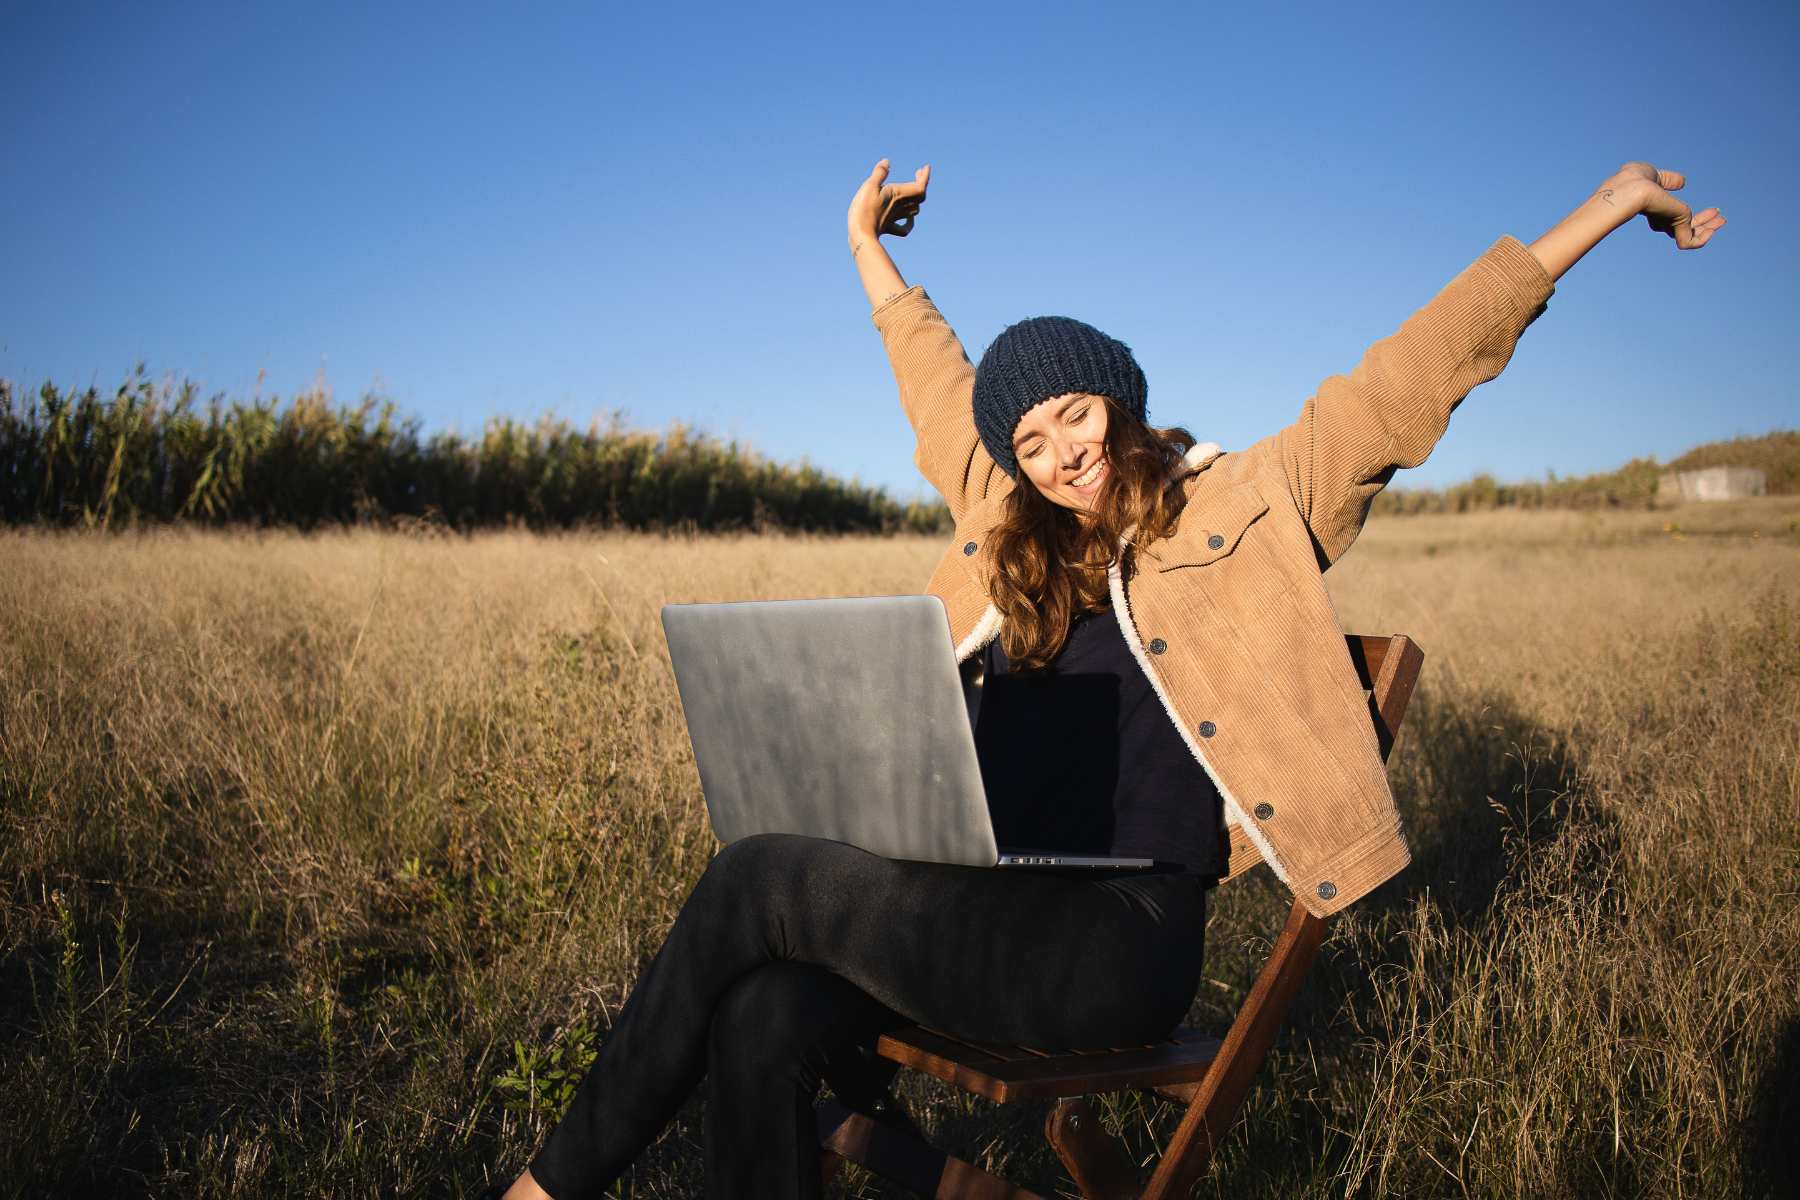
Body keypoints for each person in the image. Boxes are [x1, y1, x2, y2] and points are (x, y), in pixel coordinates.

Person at [490, 158, 1723, 1200]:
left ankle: (543, 1190)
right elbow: (937, 389)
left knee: (761, 874)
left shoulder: (1243, 503)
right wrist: (864, 247)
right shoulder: (1012, 528)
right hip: (988, 904)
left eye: (1072, 414)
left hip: (1114, 945)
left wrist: (1608, 208)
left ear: (1117, 400)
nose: (1060, 452)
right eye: (1030, 440)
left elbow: (1414, 373)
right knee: (761, 1013)